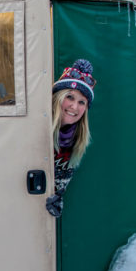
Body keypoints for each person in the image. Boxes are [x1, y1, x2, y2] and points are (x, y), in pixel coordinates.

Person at [46, 59, 96, 217]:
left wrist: (55, 202)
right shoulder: (33, 124)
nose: (74, 107)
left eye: (82, 102)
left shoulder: (73, 143)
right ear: (57, 98)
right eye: (70, 97)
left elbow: (56, 192)